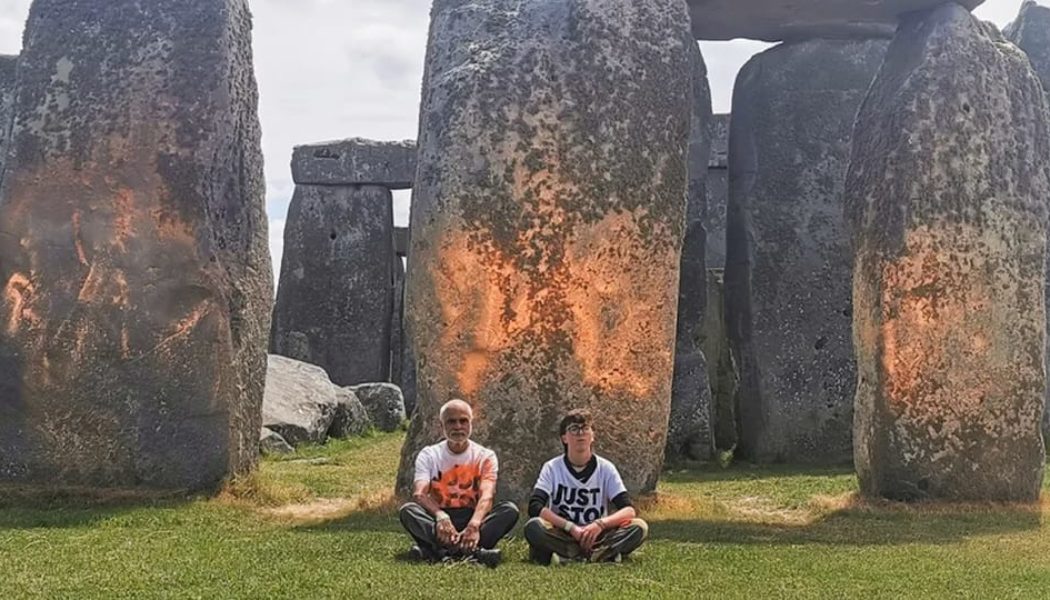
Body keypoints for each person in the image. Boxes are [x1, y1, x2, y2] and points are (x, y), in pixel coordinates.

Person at [399, 399, 519, 567]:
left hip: (472, 515)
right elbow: (420, 493)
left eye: (463, 421)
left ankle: (437, 552)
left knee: (509, 510)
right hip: (439, 517)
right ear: (441, 426)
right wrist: (441, 516)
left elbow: (487, 495)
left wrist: (474, 525)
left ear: (471, 424)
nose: (458, 426)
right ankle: (474, 552)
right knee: (408, 511)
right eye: (451, 421)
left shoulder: (485, 456)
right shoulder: (429, 455)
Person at [524, 408, 648, 564]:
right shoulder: (552, 467)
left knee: (639, 527)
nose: (580, 434)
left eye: (585, 428)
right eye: (574, 429)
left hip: (597, 534)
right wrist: (571, 528)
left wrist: (599, 525)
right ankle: (598, 555)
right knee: (534, 527)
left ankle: (574, 555)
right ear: (564, 438)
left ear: (592, 436)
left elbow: (628, 510)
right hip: (564, 533)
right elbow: (535, 506)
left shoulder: (605, 468)